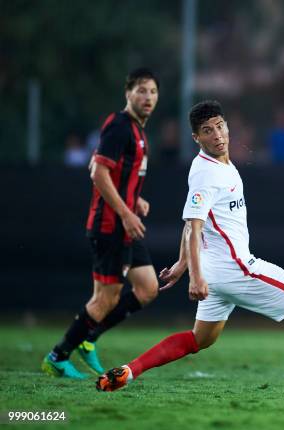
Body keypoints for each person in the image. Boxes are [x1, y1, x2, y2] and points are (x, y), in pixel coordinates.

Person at [96, 101, 284, 397]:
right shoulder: (208, 174)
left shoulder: (210, 164)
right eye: (207, 131)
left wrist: (183, 264)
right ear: (197, 138)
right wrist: (195, 277)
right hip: (237, 269)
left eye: (220, 126)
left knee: (200, 340)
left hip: (214, 272)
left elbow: (194, 222)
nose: (217, 134)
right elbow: (193, 226)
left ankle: (128, 371)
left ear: (227, 126)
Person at [42, 68, 161, 379]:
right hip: (110, 226)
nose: (147, 97)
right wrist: (124, 212)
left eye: (152, 92)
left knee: (148, 288)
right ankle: (58, 355)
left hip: (125, 223)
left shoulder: (137, 131)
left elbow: (120, 177)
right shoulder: (120, 126)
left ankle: (89, 339)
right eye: (141, 91)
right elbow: (97, 171)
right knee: (105, 298)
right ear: (128, 93)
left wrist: (135, 201)